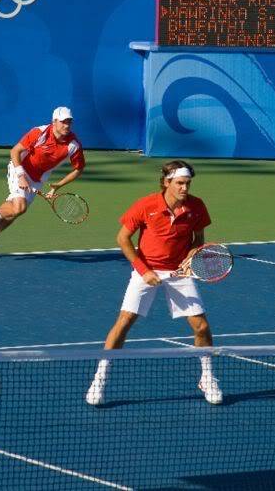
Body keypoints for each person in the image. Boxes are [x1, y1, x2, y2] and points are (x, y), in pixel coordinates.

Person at [86, 160, 223, 405]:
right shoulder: (146, 204)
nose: (184, 188)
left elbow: (198, 239)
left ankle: (207, 376)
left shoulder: (196, 206)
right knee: (125, 321)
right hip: (145, 270)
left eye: (188, 183)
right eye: (180, 183)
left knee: (201, 327)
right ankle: (100, 378)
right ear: (166, 182)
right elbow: (123, 238)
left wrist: (191, 259)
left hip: (179, 272)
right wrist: (143, 270)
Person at [0, 107, 85, 257]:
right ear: (54, 122)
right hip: (19, 167)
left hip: (38, 179)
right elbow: (15, 151)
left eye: (69, 122)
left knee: (16, 212)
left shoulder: (73, 145)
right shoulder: (39, 132)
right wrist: (20, 175)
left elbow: (78, 169)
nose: (67, 125)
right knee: (19, 207)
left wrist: (58, 185)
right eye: (63, 122)